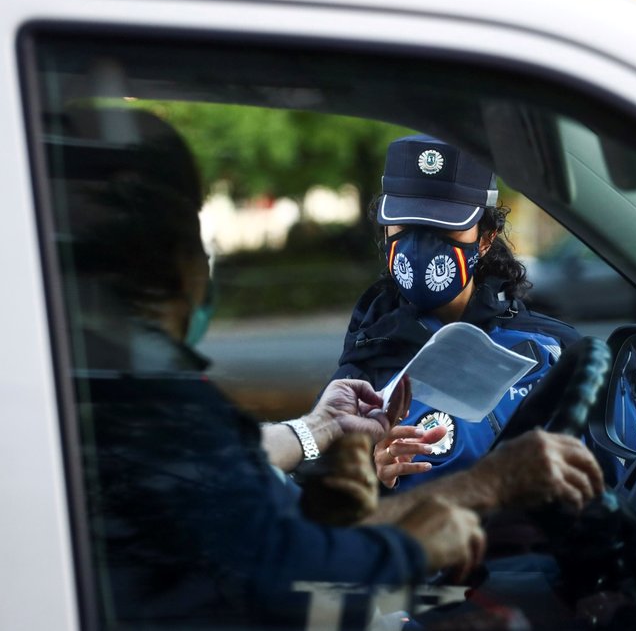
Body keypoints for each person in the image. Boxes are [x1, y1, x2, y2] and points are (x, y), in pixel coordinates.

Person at [58, 107, 484, 628]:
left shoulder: (95, 379)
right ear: (180, 264)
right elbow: (289, 571)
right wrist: (420, 533)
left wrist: (317, 429)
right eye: (199, 240)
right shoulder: (149, 402)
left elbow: (222, 467)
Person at [332, 134, 580, 491]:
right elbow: (321, 506)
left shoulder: (552, 347)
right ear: (385, 229)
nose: (421, 246)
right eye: (406, 226)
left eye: (443, 227)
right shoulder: (360, 369)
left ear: (486, 236)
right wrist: (372, 476)